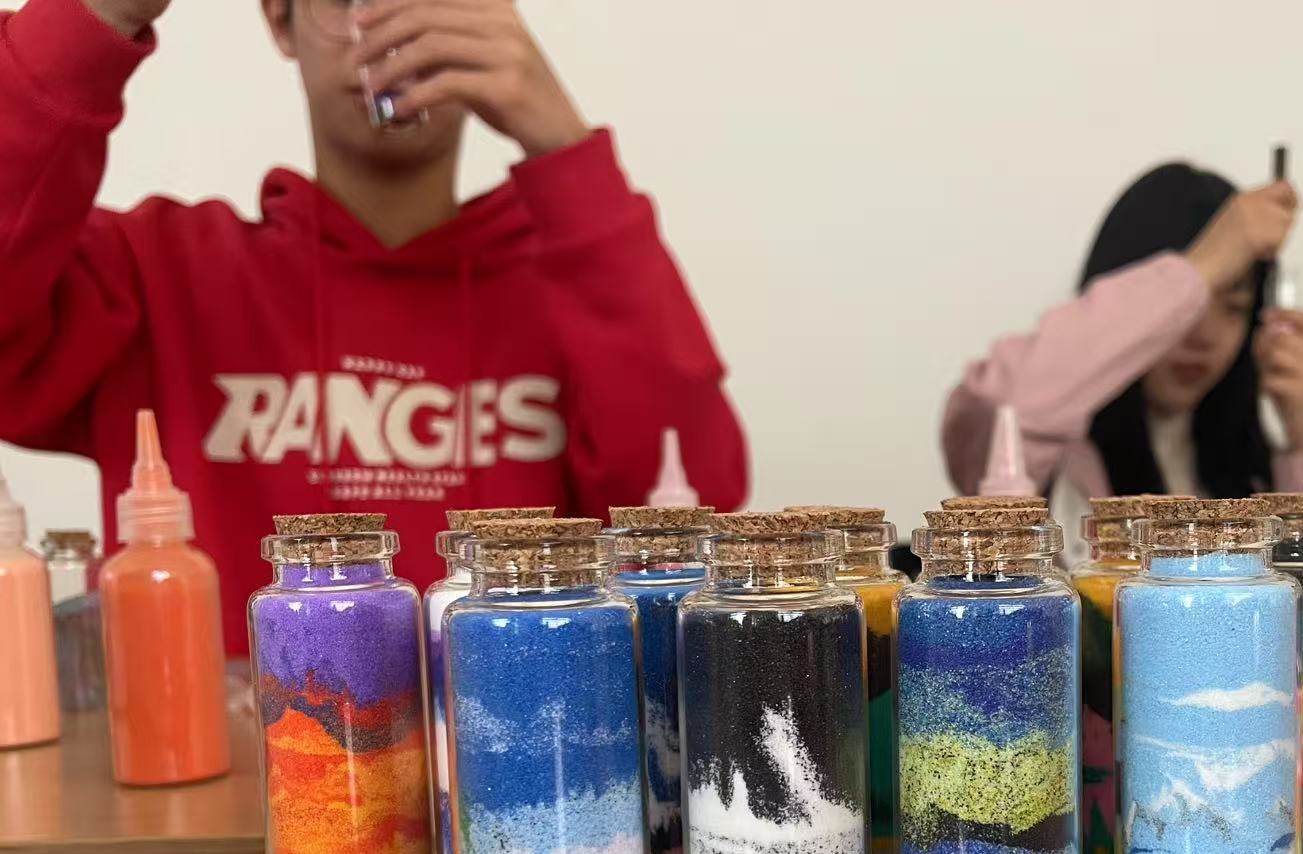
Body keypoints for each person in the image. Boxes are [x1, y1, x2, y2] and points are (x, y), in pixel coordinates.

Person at [0, 0, 748, 652]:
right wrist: (88, 19)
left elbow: (690, 515)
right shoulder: (158, 274)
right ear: (279, 19)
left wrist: (563, 146)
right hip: (235, 770)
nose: (394, 27)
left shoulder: (570, 283)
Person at [941, 162, 1303, 551]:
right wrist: (1205, 266)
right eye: (1186, 308)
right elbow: (1011, 407)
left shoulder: (1252, 468)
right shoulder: (1052, 452)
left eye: (1233, 308)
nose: (1205, 337)